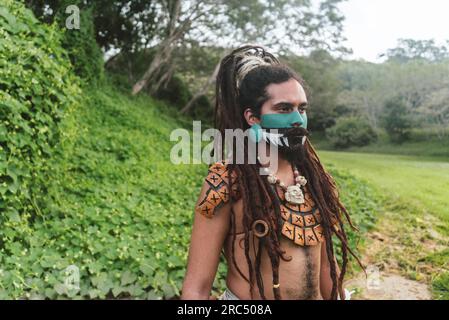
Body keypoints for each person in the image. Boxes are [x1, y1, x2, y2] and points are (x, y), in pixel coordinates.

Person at [181, 45, 361, 300]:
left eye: (303, 109)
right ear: (252, 117)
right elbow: (196, 289)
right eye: (284, 109)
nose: (298, 119)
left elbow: (327, 273)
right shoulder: (228, 181)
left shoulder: (315, 180)